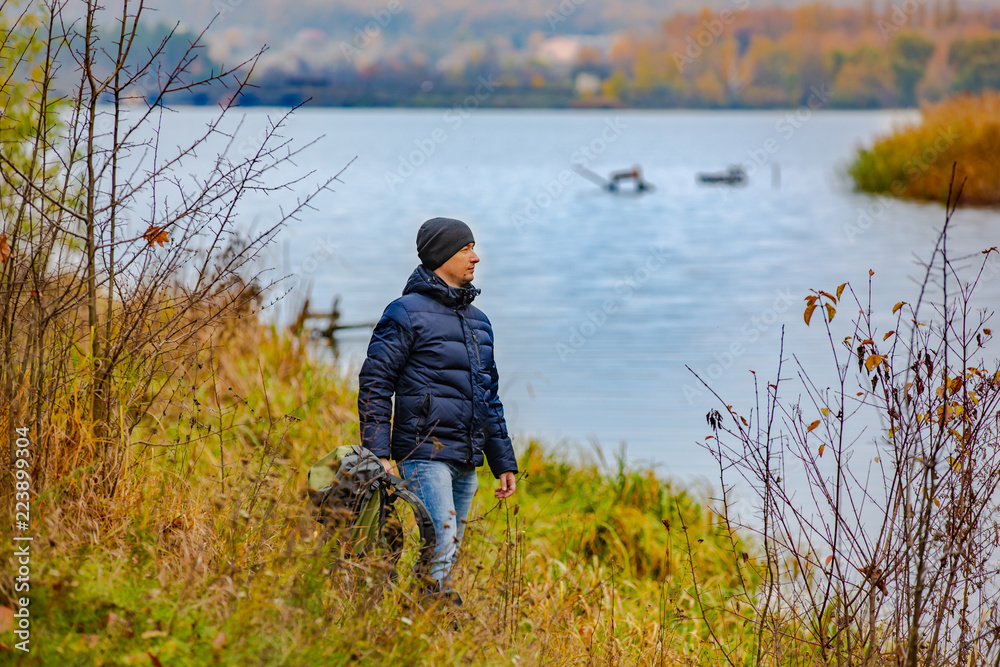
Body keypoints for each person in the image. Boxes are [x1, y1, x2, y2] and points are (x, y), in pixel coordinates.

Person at [358, 216, 518, 602]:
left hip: (466, 458)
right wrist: (378, 452)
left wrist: (503, 462)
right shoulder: (404, 313)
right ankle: (433, 619)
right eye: (466, 249)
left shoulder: (480, 322)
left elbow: (488, 395)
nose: (475, 257)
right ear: (441, 255)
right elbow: (375, 382)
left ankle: (420, 620)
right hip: (424, 453)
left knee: (446, 550)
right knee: (441, 543)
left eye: (473, 248)